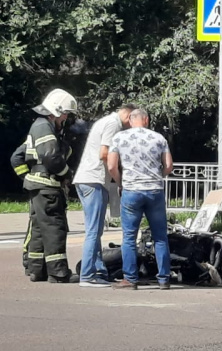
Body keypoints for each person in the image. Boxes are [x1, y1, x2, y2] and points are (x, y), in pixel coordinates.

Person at [108, 108, 173, 290]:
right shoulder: (159, 138)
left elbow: (111, 165)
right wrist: (156, 175)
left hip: (131, 191)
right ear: (146, 120)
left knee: (129, 237)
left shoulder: (119, 138)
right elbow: (168, 165)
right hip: (155, 191)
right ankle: (164, 279)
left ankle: (130, 279)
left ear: (130, 119)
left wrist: (121, 182)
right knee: (160, 237)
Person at [72, 104, 137, 287]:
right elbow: (104, 154)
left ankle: (99, 271)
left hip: (87, 180)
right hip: (95, 180)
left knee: (95, 230)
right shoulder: (113, 125)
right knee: (94, 231)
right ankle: (87, 275)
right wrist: (119, 179)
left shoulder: (105, 121)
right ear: (128, 116)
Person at [23, 89, 80, 283]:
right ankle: (58, 272)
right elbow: (50, 157)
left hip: (37, 185)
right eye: (64, 113)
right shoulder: (44, 127)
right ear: (55, 111)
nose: (65, 118)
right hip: (48, 186)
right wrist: (66, 174)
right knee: (55, 227)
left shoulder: (38, 125)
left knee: (39, 228)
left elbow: (20, 157)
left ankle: (36, 269)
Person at [9, 141, 33, 274]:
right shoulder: (38, 135)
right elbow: (16, 158)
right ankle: (27, 256)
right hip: (39, 188)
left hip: (50, 190)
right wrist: (27, 178)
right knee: (35, 224)